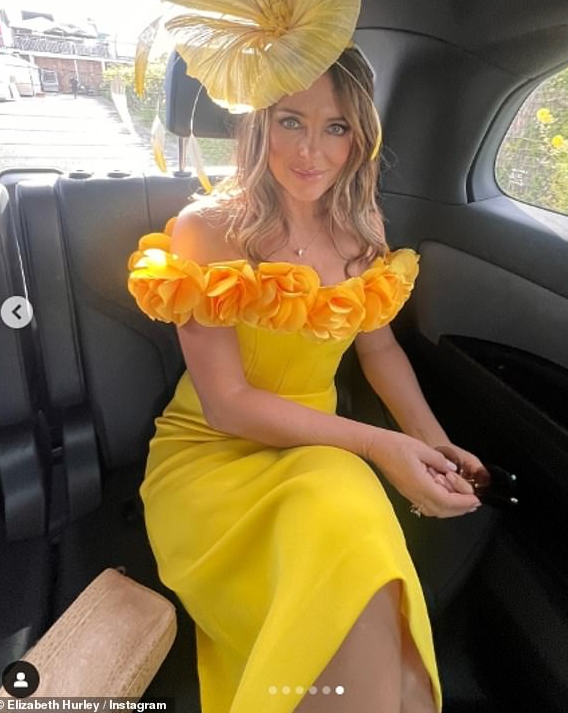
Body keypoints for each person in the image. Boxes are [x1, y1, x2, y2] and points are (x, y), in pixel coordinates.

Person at [128, 45, 486, 713]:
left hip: (323, 449)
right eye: (292, 120)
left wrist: (432, 444)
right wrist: (382, 445)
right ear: (258, 121)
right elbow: (228, 405)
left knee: (363, 561)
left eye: (337, 127)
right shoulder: (210, 230)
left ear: (361, 136)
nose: (311, 152)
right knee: (346, 529)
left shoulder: (363, 229)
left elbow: (378, 351)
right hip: (215, 456)